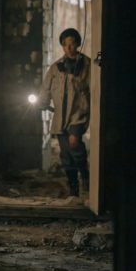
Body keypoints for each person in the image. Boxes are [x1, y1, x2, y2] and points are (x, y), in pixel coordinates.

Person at [38, 27, 91, 197]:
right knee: (66, 153)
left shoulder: (87, 65)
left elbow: (94, 87)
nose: (69, 48)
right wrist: (42, 102)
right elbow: (46, 87)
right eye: (65, 45)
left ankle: (86, 176)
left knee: (74, 143)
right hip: (60, 116)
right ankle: (73, 187)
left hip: (78, 113)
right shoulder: (56, 67)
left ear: (78, 44)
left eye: (72, 44)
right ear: (62, 46)